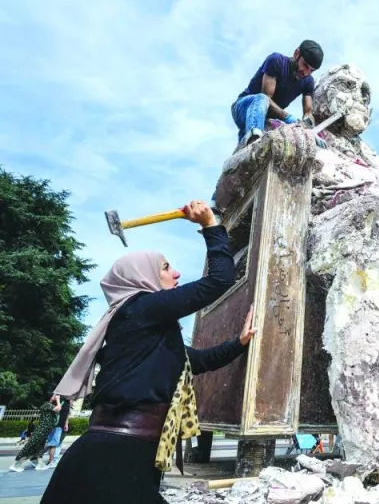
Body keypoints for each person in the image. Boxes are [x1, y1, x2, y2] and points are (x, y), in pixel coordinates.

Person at [41, 200, 257, 504]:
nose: (177, 273)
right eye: (167, 267)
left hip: (124, 454)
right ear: (141, 277)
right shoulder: (141, 307)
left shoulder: (147, 331)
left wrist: (240, 342)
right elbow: (220, 280)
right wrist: (210, 225)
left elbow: (198, 360)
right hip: (115, 457)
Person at [232, 40, 324, 147]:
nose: (306, 72)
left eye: (311, 70)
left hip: (265, 119)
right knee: (262, 99)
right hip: (244, 108)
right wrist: (289, 117)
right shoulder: (276, 61)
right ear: (296, 53)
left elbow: (308, 113)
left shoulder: (308, 81)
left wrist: (310, 129)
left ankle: (248, 143)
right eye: (305, 65)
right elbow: (267, 98)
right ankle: (255, 141)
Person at [9, 395, 61, 472]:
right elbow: (58, 408)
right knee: (31, 445)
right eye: (54, 395)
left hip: (45, 430)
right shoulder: (47, 404)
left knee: (40, 446)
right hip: (41, 429)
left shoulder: (49, 405)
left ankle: (40, 464)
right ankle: (17, 464)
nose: (56, 396)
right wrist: (58, 399)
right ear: (50, 397)